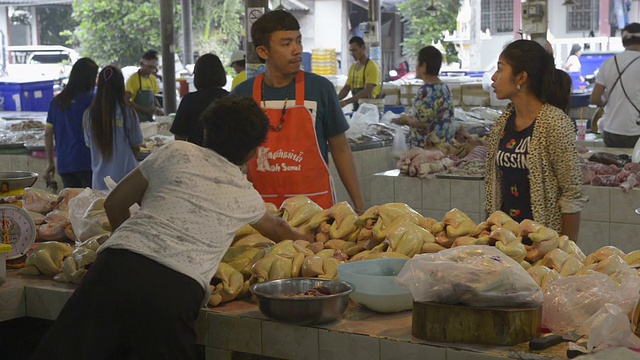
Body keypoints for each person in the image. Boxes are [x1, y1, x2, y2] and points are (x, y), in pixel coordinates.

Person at [32, 96, 311, 358]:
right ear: (253, 151)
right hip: (173, 291)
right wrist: (305, 241)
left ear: (205, 132)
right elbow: (276, 227)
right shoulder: (244, 194)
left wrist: (133, 251)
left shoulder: (176, 151)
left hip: (112, 269)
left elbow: (114, 204)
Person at [232, 10, 365, 212]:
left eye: (298, 41)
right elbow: (229, 158)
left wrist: (360, 205)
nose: (297, 50)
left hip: (317, 211)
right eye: (286, 44)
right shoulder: (242, 95)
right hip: (261, 213)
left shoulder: (321, 90)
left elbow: (341, 150)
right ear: (263, 52)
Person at [485, 39, 586, 242]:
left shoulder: (554, 123)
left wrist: (565, 251)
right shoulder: (503, 122)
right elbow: (495, 187)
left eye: (500, 69)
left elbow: (572, 195)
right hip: (506, 241)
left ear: (521, 77)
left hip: (542, 244)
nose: (494, 77)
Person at [84, 65, 143, 190]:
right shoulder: (128, 113)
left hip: (99, 183)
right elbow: (136, 145)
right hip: (126, 181)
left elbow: (89, 144)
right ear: (121, 86)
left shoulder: (89, 115)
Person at [44, 58, 99, 188]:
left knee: (71, 204)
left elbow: (47, 134)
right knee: (89, 204)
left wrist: (50, 162)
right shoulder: (93, 101)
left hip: (65, 164)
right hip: (87, 163)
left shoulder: (57, 102)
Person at [391, 46, 456, 147]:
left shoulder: (426, 91)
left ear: (424, 66)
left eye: (417, 63)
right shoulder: (445, 88)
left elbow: (423, 123)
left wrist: (405, 120)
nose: (415, 67)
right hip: (445, 146)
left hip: (428, 150)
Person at [589, 22, 640, 148]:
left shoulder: (609, 64)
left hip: (612, 131)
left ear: (623, 42)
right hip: (637, 131)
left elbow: (595, 98)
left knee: (613, 166)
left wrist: (605, 99)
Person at [170, 53, 229, 145]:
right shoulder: (231, 98)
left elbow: (179, 137)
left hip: (196, 156)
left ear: (197, 76)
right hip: (227, 157)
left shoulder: (189, 100)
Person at [338, 36, 381, 111]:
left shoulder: (372, 67)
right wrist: (334, 99)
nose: (352, 53)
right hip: (357, 109)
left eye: (354, 50)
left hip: (370, 111)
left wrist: (346, 102)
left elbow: (367, 91)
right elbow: (346, 89)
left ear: (363, 48)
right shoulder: (353, 68)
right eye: (351, 51)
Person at [125, 50, 164, 122]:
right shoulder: (133, 79)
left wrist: (158, 108)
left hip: (149, 119)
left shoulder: (152, 78)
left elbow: (153, 96)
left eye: (154, 68)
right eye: (150, 67)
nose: (152, 70)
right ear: (142, 64)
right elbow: (127, 101)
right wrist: (145, 110)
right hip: (135, 120)